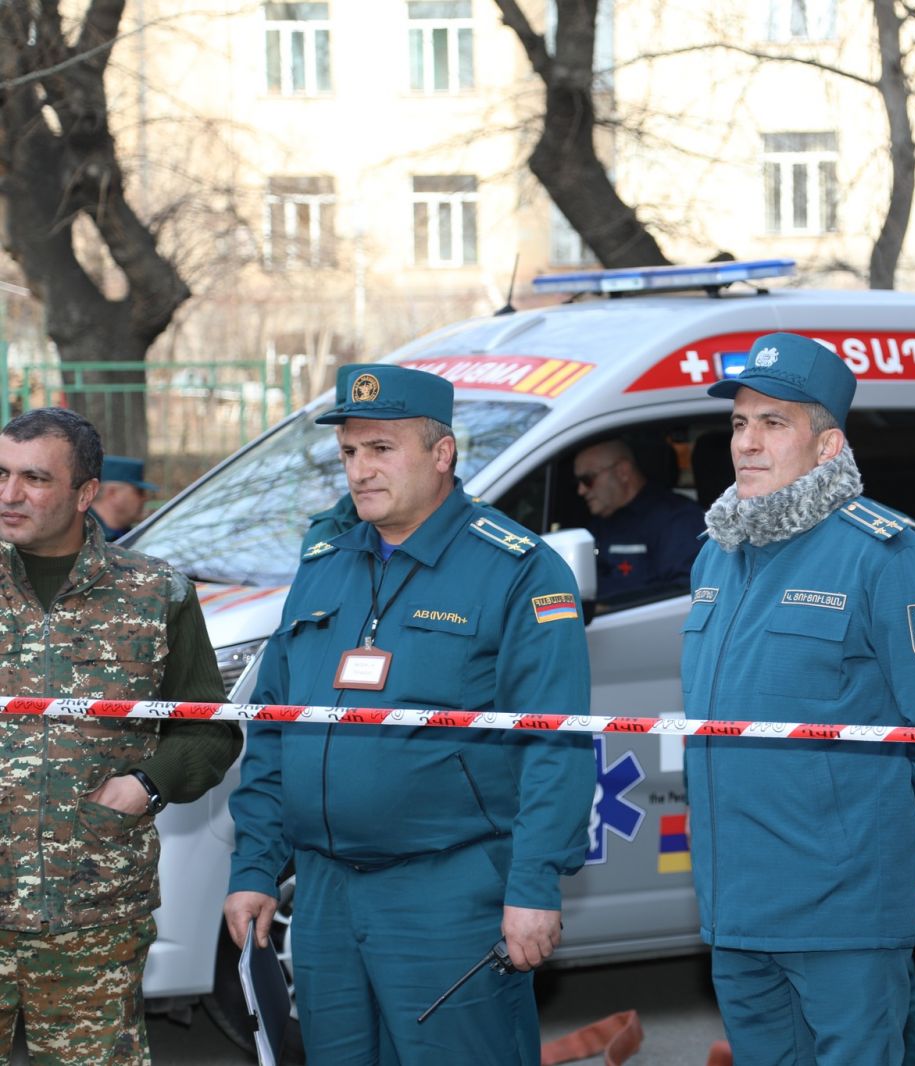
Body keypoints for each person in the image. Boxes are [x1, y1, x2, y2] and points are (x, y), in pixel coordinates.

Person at [224, 364, 595, 1065]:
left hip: (448, 892)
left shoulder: (516, 569)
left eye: (381, 449)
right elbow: (273, 728)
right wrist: (254, 867)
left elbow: (556, 745)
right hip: (326, 894)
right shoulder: (326, 562)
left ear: (441, 452)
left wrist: (534, 885)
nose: (359, 469)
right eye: (348, 451)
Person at [681, 332, 915, 1066]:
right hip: (735, 906)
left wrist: (886, 857)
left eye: (774, 423)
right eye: (739, 423)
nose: (747, 443)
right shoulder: (716, 554)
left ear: (827, 447)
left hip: (843, 913)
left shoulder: (888, 557)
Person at [0, 408, 240, 1065]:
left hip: (93, 914)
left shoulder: (154, 594)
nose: (9, 494)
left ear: (86, 493)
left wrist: (147, 784)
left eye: (34, 478)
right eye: (1, 474)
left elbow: (211, 730)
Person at [573, 438, 703, 603]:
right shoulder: (596, 525)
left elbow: (686, 595)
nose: (581, 490)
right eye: (578, 482)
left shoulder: (677, 520)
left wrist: (610, 607)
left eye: (588, 480)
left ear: (622, 472)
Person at [90, 454, 157, 540]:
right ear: (112, 494)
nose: (145, 498)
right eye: (139, 492)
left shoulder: (129, 535)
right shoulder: (81, 538)